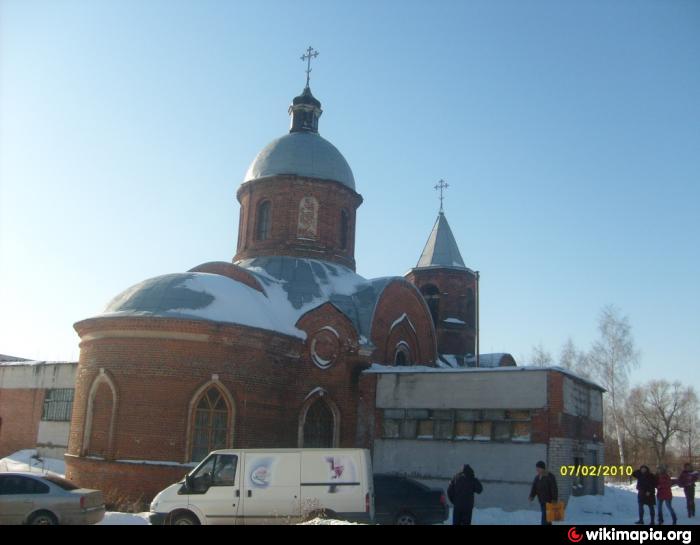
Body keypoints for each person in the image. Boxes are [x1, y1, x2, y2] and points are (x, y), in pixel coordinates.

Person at [528, 461, 558, 525]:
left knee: (545, 518)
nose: (537, 469)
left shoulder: (550, 476)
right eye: (537, 468)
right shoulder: (537, 477)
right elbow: (534, 488)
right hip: (542, 501)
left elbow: (554, 488)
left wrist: (554, 499)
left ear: (542, 468)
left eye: (538, 468)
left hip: (549, 501)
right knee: (548, 519)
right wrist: (531, 496)